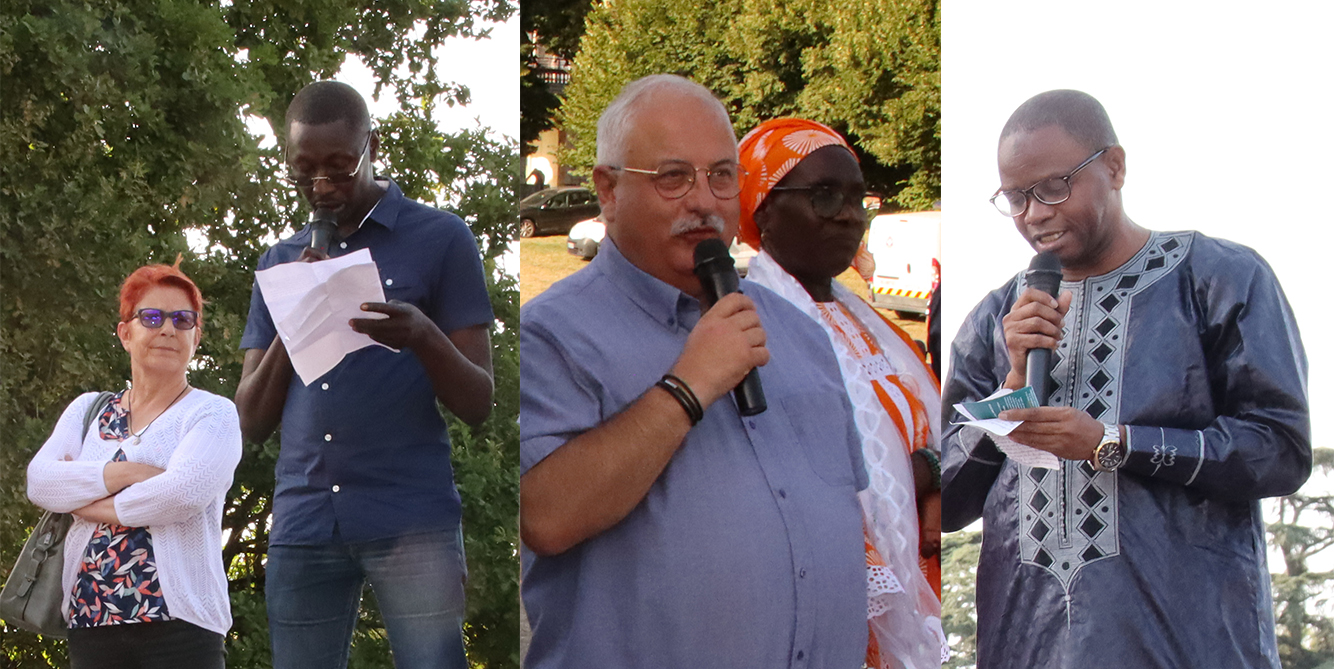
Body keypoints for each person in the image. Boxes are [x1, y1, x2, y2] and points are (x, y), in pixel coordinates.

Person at [941, 89, 1311, 668]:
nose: (1035, 213)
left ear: (1114, 167)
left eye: (1053, 187)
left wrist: (1111, 443)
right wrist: (1011, 387)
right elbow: (946, 505)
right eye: (1015, 198)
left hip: (1191, 645)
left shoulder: (1219, 279)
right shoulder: (997, 319)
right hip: (1026, 648)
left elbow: (1281, 451)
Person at [520, 75, 868, 668]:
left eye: (722, 176)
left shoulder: (800, 331)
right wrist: (688, 387)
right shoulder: (549, 335)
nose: (704, 201)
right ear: (607, 190)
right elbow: (547, 516)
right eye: (674, 177)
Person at [235, 81, 494, 669]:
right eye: (303, 171)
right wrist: (297, 314)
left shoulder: (441, 238)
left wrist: (423, 335)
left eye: (339, 167)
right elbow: (248, 419)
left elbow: (480, 401)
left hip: (410, 517)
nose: (321, 187)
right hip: (304, 517)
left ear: (371, 146)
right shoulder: (279, 263)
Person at [737, 117, 944, 669]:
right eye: (824, 195)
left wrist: (934, 467)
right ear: (763, 209)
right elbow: (786, 474)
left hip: (920, 582)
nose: (850, 214)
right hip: (816, 608)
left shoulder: (878, 325)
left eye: (857, 197)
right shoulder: (745, 328)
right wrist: (919, 473)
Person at [26, 261, 242, 669]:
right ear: (126, 333)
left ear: (196, 336)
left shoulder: (212, 414)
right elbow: (40, 482)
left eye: (182, 320)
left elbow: (181, 495)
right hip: (91, 619)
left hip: (181, 628)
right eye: (152, 317)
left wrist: (83, 503)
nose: (167, 329)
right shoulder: (88, 409)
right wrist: (125, 474)